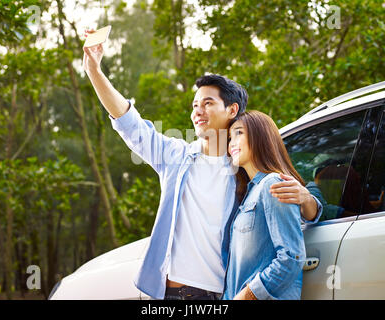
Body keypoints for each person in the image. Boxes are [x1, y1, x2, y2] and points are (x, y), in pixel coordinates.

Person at [82, 33, 322, 300]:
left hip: (225, 293)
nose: (198, 111)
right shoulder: (175, 157)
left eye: (208, 103)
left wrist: (308, 201)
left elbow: (283, 219)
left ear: (232, 110)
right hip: (172, 293)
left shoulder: (246, 170)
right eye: (195, 105)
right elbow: (129, 121)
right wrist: (94, 71)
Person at [223, 111, 315, 300]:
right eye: (230, 137)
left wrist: (247, 296)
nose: (231, 143)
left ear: (260, 136)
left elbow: (291, 257)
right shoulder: (248, 194)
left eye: (239, 133)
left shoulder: (273, 183)